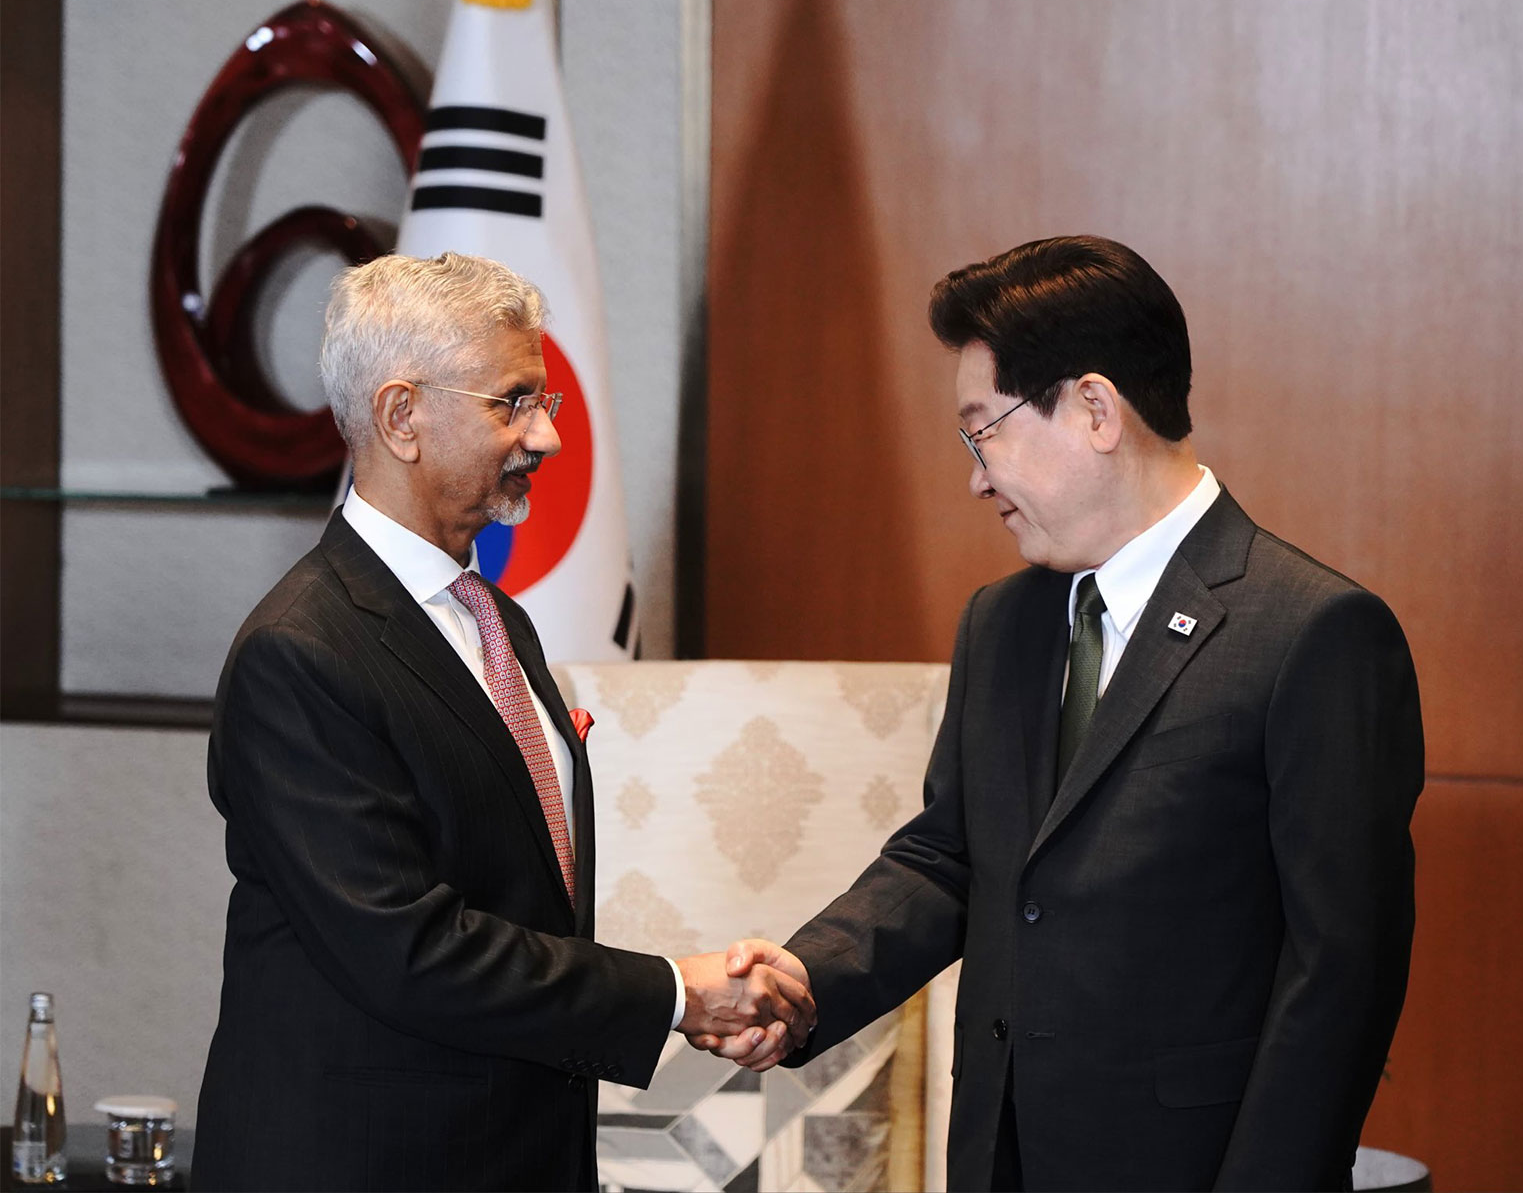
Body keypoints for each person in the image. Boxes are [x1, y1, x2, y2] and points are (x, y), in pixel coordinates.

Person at [704, 236, 1424, 1191]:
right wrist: (804, 982)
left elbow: (1341, 973)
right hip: (1001, 1157)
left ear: (1092, 408)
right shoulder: (1003, 622)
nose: (976, 476)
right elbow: (950, 857)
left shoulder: (1312, 631)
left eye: (983, 431)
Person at [191, 253, 813, 1192]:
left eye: (546, 400)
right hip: (366, 1163)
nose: (548, 438)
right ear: (402, 417)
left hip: (512, 1153)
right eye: (512, 402)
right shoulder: (300, 652)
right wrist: (678, 993)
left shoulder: (493, 616)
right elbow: (410, 951)